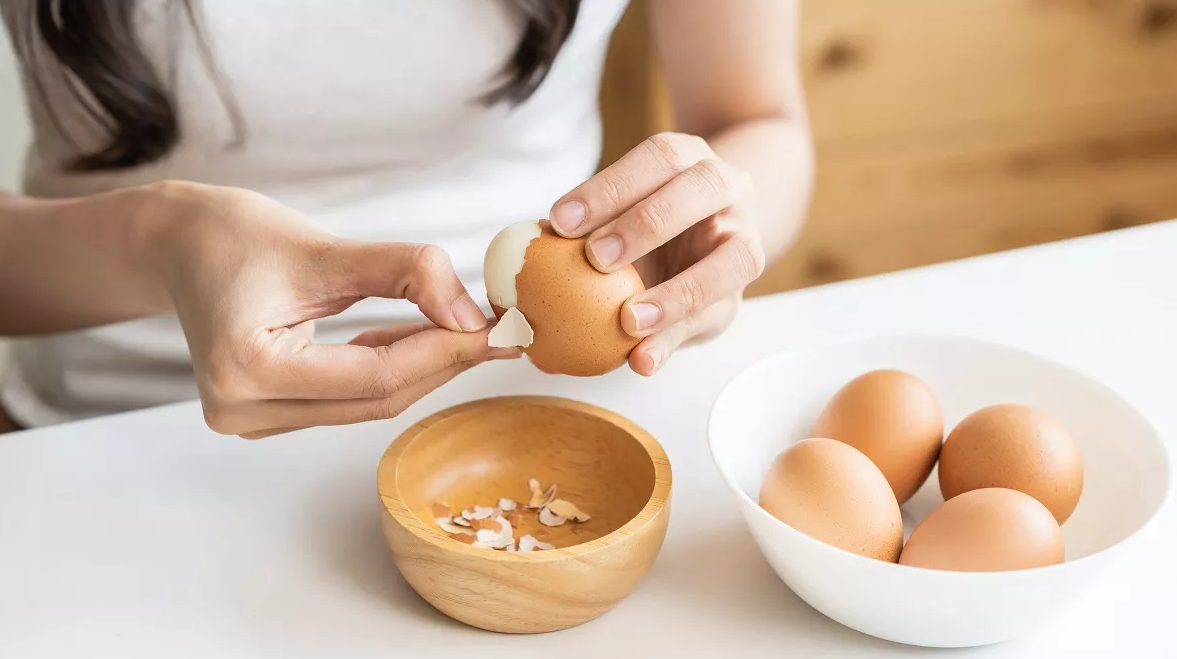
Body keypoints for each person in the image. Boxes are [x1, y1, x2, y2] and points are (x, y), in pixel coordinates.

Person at [0, 0, 812, 438]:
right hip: (113, 438)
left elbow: (756, 116)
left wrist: (719, 230)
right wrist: (159, 243)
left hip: (547, 414)